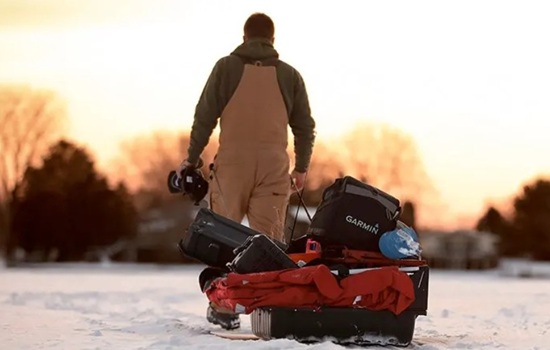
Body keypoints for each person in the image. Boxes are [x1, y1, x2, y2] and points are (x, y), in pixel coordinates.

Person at [178, 12, 316, 330]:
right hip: (274, 166)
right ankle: (272, 311)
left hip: (233, 164)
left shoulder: (226, 67)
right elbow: (304, 127)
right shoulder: (290, 75)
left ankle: (224, 308)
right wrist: (302, 168)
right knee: (268, 245)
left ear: (244, 37)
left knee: (221, 237)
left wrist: (192, 158)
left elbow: (205, 115)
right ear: (272, 40)